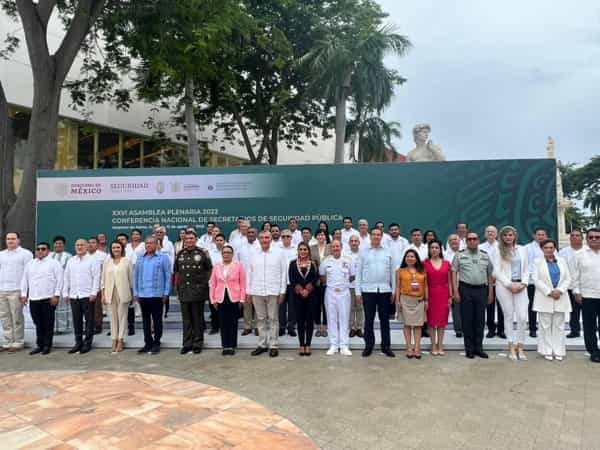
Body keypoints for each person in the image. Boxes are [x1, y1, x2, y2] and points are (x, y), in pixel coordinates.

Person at [451, 231, 494, 359]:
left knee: (480, 320)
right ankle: (469, 349)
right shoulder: (459, 255)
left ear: (478, 241)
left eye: (474, 239)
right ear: (466, 241)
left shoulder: (485, 256)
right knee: (467, 320)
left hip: (481, 290)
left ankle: (479, 348)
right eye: (469, 239)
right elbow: (453, 273)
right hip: (465, 290)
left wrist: (490, 292)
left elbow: (489, 275)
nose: (472, 241)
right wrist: (455, 291)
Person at [247, 230, 288, 357]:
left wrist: (282, 291)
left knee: (273, 319)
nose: (264, 240)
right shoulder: (253, 254)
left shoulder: (279, 253)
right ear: (259, 239)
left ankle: (274, 345)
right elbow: (249, 273)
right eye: (262, 238)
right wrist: (248, 291)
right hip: (257, 291)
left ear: (270, 239)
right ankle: (262, 344)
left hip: (273, 291)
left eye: (267, 237)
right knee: (260, 319)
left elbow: (283, 273)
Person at [491, 226, 530, 361]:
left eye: (510, 235)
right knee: (508, 316)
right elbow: (496, 271)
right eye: (505, 235)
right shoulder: (498, 250)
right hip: (504, 287)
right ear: (501, 237)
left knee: (522, 316)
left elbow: (527, 269)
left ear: (515, 236)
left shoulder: (523, 249)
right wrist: (509, 284)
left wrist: (524, 283)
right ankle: (511, 346)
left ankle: (521, 346)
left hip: (521, 286)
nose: (508, 237)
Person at [356, 228, 395, 358]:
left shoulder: (388, 252)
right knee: (369, 320)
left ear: (382, 236)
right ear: (370, 236)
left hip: (384, 290)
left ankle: (386, 346)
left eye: (379, 235)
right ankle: (369, 346)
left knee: (385, 320)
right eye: (374, 234)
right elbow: (358, 273)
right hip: (368, 290)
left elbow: (393, 273)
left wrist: (394, 290)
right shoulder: (363, 252)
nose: (376, 237)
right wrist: (357, 292)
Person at [20, 242, 63, 355]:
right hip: (34, 298)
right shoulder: (30, 264)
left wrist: (56, 295)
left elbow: (60, 280)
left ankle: (47, 345)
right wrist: (24, 294)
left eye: (43, 249)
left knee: (48, 323)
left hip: (48, 298)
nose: (40, 251)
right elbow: (24, 280)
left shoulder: (54, 263)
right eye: (38, 249)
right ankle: (40, 345)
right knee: (37, 322)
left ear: (48, 251)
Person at [174, 231, 212, 355]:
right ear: (184, 240)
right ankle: (187, 344)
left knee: (197, 319)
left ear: (196, 239)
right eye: (187, 239)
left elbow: (209, 270)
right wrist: (177, 288)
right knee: (186, 320)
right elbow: (177, 272)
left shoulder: (202, 253)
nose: (189, 240)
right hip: (184, 290)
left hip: (198, 291)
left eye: (191, 238)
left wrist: (204, 284)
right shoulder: (180, 254)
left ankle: (197, 343)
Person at [533, 239, 571, 361]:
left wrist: (559, 290)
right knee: (545, 325)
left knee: (559, 325)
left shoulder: (562, 261)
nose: (549, 250)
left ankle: (558, 350)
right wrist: (549, 292)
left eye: (551, 247)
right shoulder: (537, 262)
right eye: (546, 247)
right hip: (544, 297)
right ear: (542, 249)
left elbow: (568, 278)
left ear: (555, 248)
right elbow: (535, 279)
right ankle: (547, 350)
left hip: (560, 296)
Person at [133, 236, 171, 355]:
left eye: (151, 243)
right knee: (145, 321)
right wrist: (136, 293)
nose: (149, 245)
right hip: (143, 295)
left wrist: (166, 293)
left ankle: (156, 342)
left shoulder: (163, 258)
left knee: (157, 320)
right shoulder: (140, 259)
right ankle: (147, 343)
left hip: (157, 295)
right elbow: (136, 277)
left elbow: (168, 276)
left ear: (156, 245)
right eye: (147, 243)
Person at [63, 239, 100, 354]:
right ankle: (78, 342)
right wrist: (65, 293)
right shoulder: (71, 261)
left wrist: (94, 292)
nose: (79, 247)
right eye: (77, 245)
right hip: (74, 295)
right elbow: (66, 278)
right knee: (76, 320)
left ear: (87, 246)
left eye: (82, 245)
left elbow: (96, 277)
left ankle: (87, 344)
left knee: (89, 321)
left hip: (87, 295)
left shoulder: (93, 260)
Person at [209, 245, 246, 355]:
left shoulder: (238, 265)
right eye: (224, 252)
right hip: (220, 298)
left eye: (229, 252)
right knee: (223, 322)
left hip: (234, 297)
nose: (226, 254)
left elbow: (243, 283)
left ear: (232, 254)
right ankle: (225, 346)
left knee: (233, 322)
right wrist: (213, 299)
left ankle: (232, 345)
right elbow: (212, 283)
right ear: (222, 254)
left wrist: (242, 299)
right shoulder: (217, 266)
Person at [320, 240, 354, 356]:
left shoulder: (348, 260)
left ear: (341, 247)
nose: (335, 248)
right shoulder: (326, 261)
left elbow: (352, 275)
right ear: (331, 248)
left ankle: (344, 345)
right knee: (331, 318)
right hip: (330, 293)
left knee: (344, 319)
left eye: (337, 246)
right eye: (333, 246)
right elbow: (322, 275)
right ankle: (334, 345)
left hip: (344, 293)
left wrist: (343, 285)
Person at [0, 232, 33, 352]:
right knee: (4, 317)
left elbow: (28, 274)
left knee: (17, 317)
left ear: (18, 240)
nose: (10, 241)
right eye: (8, 239)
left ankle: (18, 342)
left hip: (17, 290)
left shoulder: (25, 254)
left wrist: (25, 292)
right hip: (2, 290)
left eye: (13, 239)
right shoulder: (1, 255)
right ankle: (8, 342)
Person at [573, 228, 600, 363]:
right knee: (589, 326)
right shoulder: (579, 254)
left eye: (597, 237)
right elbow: (575, 275)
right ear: (586, 239)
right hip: (587, 295)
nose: (594, 239)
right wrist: (576, 292)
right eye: (591, 237)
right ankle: (593, 351)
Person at [102, 240, 133, 353]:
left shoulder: (127, 261)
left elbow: (131, 279)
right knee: (113, 318)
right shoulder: (107, 262)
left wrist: (132, 293)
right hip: (110, 292)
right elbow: (103, 279)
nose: (116, 249)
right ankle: (114, 339)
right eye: (114, 247)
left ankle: (121, 340)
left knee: (122, 317)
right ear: (111, 249)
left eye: (118, 247)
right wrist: (103, 294)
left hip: (123, 292)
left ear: (122, 249)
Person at [289, 243, 319, 356]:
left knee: (309, 321)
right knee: (300, 321)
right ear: (298, 251)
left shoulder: (314, 264)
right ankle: (301, 345)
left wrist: (307, 289)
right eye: (300, 249)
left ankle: (308, 345)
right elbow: (292, 279)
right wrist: (301, 290)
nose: (303, 251)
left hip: (311, 296)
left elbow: (316, 278)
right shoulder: (292, 264)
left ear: (308, 251)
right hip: (297, 297)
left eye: (305, 249)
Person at [423, 240, 452, 356]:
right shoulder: (424, 263)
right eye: (432, 247)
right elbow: (424, 283)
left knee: (441, 322)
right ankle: (433, 345)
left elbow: (449, 281)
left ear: (440, 249)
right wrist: (425, 298)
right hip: (430, 293)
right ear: (429, 250)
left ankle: (440, 345)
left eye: (436, 247)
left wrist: (450, 296)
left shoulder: (446, 263)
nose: (434, 249)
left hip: (443, 294)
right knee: (431, 322)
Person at [479, 225, 505, 339]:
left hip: (500, 281)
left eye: (492, 232)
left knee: (501, 306)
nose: (490, 233)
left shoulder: (502, 246)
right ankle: (490, 329)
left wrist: (495, 275)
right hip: (485, 281)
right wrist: (489, 277)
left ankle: (501, 330)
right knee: (489, 305)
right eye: (488, 232)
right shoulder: (480, 247)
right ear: (485, 234)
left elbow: (504, 263)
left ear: (496, 234)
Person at [559, 229, 586, 338]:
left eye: (577, 235)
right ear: (570, 238)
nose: (575, 237)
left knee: (588, 312)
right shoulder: (563, 252)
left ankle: (590, 331)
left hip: (585, 286)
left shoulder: (587, 251)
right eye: (573, 235)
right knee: (573, 311)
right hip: (569, 286)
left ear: (582, 238)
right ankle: (575, 331)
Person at [525, 227, 548, 338]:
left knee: (545, 306)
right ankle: (532, 328)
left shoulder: (550, 247)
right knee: (533, 306)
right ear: (534, 236)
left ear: (546, 236)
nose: (541, 236)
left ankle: (545, 328)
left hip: (547, 283)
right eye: (538, 234)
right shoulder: (528, 248)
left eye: (543, 234)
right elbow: (526, 266)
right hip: (532, 282)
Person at [237, 227, 260, 336]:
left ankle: (257, 327)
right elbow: (237, 263)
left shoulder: (260, 246)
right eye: (249, 232)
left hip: (258, 279)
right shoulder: (241, 247)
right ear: (246, 234)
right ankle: (247, 327)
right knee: (247, 305)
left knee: (257, 305)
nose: (251, 234)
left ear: (256, 234)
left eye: (253, 232)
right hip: (245, 280)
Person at [49, 235, 72, 333]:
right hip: (50, 287)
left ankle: (63, 328)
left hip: (63, 286)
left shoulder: (68, 256)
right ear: (53, 245)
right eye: (56, 243)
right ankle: (52, 328)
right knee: (51, 308)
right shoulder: (49, 256)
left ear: (64, 245)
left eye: (60, 243)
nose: (58, 245)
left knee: (63, 307)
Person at [278, 230, 298, 337]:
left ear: (291, 237)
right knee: (281, 306)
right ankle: (281, 327)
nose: (286, 238)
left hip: (292, 282)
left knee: (292, 306)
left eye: (288, 236)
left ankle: (291, 327)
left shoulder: (296, 249)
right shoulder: (276, 248)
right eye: (283, 236)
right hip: (280, 282)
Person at [310, 230, 330, 337]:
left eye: (322, 234)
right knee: (317, 304)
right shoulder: (312, 248)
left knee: (326, 304)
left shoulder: (330, 247)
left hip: (328, 281)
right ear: (316, 236)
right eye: (319, 235)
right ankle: (317, 326)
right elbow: (310, 263)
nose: (321, 236)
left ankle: (325, 327)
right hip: (315, 281)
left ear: (325, 236)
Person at [343, 235, 364, 338]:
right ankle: (352, 328)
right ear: (349, 243)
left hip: (361, 286)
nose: (354, 243)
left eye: (356, 241)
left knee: (360, 307)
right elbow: (343, 269)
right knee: (351, 308)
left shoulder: (363, 254)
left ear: (359, 243)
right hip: (349, 285)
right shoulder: (345, 255)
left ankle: (359, 328)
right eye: (352, 241)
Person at [207, 233, 227, 334]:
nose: (219, 242)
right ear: (215, 242)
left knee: (224, 306)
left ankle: (224, 326)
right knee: (213, 306)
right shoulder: (211, 252)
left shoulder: (229, 251)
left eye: (221, 240)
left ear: (224, 241)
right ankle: (215, 326)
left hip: (226, 284)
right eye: (217, 240)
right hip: (213, 282)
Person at [88, 236, 107, 334]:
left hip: (99, 285)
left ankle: (98, 326)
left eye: (93, 242)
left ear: (98, 244)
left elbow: (106, 271)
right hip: (86, 286)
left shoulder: (103, 256)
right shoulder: (84, 255)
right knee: (87, 308)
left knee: (97, 308)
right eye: (89, 242)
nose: (91, 244)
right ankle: (89, 327)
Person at [445, 234, 463, 338]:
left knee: (466, 309)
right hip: (450, 284)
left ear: (459, 240)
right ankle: (459, 330)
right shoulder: (445, 254)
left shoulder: (465, 252)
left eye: (455, 239)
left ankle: (467, 328)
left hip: (464, 284)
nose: (454, 241)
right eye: (451, 239)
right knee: (456, 308)